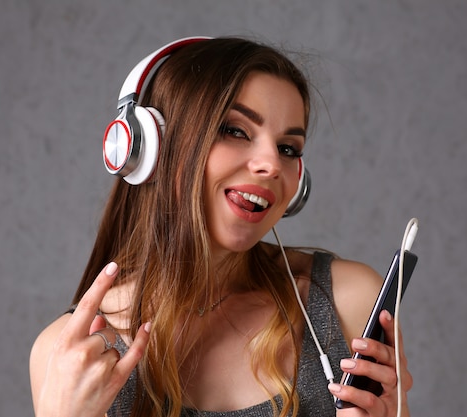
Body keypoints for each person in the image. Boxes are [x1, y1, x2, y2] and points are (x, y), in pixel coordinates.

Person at [29, 36, 413, 417]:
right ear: (152, 148)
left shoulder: (348, 304)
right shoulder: (65, 354)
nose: (271, 165)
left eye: (288, 148)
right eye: (236, 130)